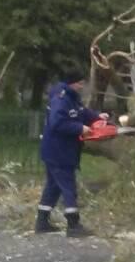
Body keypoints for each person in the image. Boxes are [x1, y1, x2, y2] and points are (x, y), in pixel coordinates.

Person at [36, 67, 106, 237]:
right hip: (58, 151)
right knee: (68, 187)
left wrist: (98, 117)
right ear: (72, 83)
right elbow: (57, 123)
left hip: (60, 151)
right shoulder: (61, 99)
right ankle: (73, 225)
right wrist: (80, 128)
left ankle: (41, 221)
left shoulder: (71, 98)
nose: (82, 87)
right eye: (80, 84)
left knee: (53, 187)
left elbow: (81, 112)